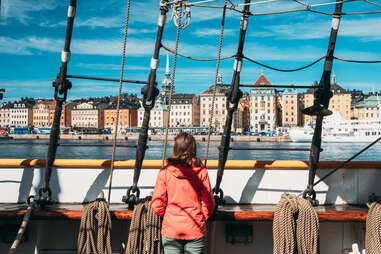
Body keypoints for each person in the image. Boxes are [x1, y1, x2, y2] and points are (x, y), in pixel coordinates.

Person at [151, 132, 215, 254]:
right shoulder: (201, 172)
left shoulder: (165, 173)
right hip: (195, 228)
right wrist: (201, 217)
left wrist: (169, 217)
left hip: (171, 228)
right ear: (193, 149)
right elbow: (209, 203)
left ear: (175, 149)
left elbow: (157, 203)